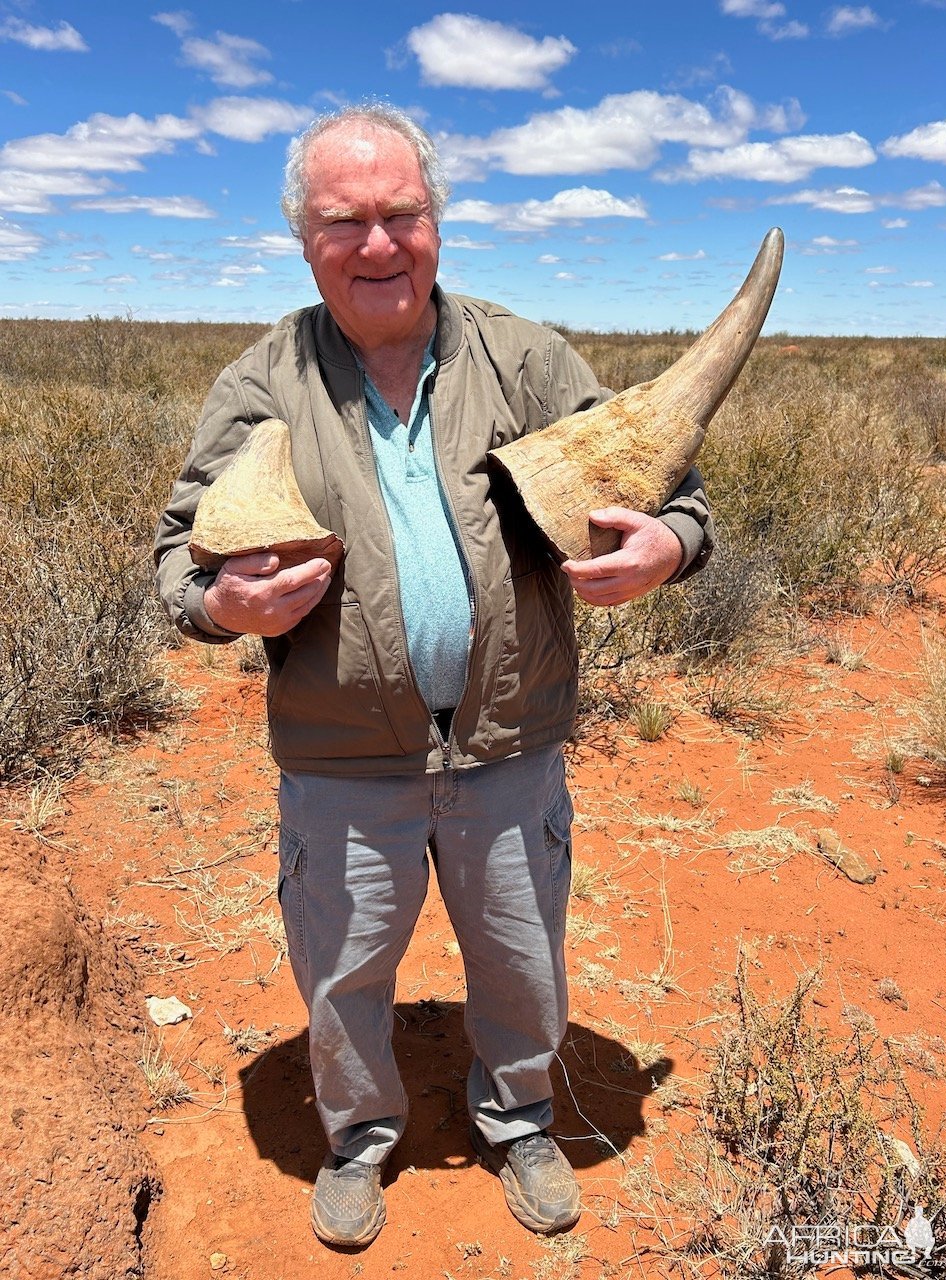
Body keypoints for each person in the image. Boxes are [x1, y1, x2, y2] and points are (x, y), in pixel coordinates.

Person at [155, 103, 713, 1249]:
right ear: (303, 240)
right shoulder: (261, 381)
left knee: (520, 957)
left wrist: (672, 542)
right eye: (343, 220)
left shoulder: (525, 356)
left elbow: (665, 485)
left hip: (510, 742)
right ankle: (357, 1137)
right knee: (344, 966)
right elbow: (180, 552)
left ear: (438, 222)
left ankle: (517, 1116)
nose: (376, 244)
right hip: (341, 756)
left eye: (400, 213)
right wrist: (219, 603)